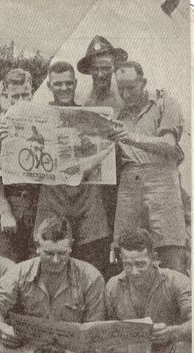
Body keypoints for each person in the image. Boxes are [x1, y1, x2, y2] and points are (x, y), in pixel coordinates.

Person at [0, 217, 105, 353]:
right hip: (30, 350)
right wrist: (3, 329)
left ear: (71, 245)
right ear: (37, 246)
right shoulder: (20, 271)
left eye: (62, 253)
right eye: (49, 253)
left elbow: (95, 331)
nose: (56, 260)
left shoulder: (91, 277)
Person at [108, 61, 187, 274]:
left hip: (162, 183)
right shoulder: (116, 113)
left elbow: (169, 144)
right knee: (127, 254)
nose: (125, 94)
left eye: (131, 88)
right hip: (129, 186)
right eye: (121, 88)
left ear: (143, 83)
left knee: (171, 254)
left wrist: (130, 138)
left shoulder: (165, 103)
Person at [34, 62, 110, 276]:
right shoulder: (38, 115)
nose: (64, 88)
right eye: (58, 84)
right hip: (53, 196)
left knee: (92, 265)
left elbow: (106, 147)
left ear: (76, 83)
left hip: (86, 196)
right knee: (52, 261)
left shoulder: (89, 114)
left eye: (69, 83)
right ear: (49, 86)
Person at [105, 228, 191, 353]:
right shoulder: (113, 286)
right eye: (128, 264)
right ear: (121, 259)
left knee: (185, 348)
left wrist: (173, 332)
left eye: (140, 264)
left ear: (154, 259)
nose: (134, 271)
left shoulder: (177, 282)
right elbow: (106, 331)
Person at [0, 68, 38, 262]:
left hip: (36, 203)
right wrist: (5, 212)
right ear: (5, 96)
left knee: (35, 263)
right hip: (10, 201)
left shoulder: (41, 126)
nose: (21, 101)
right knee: (9, 265)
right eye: (15, 96)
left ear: (32, 93)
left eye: (25, 95)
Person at [78, 35, 128, 237]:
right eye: (95, 69)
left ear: (114, 67)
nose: (100, 74)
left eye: (106, 68)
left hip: (121, 176)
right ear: (89, 70)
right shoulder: (82, 100)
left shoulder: (124, 98)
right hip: (93, 180)